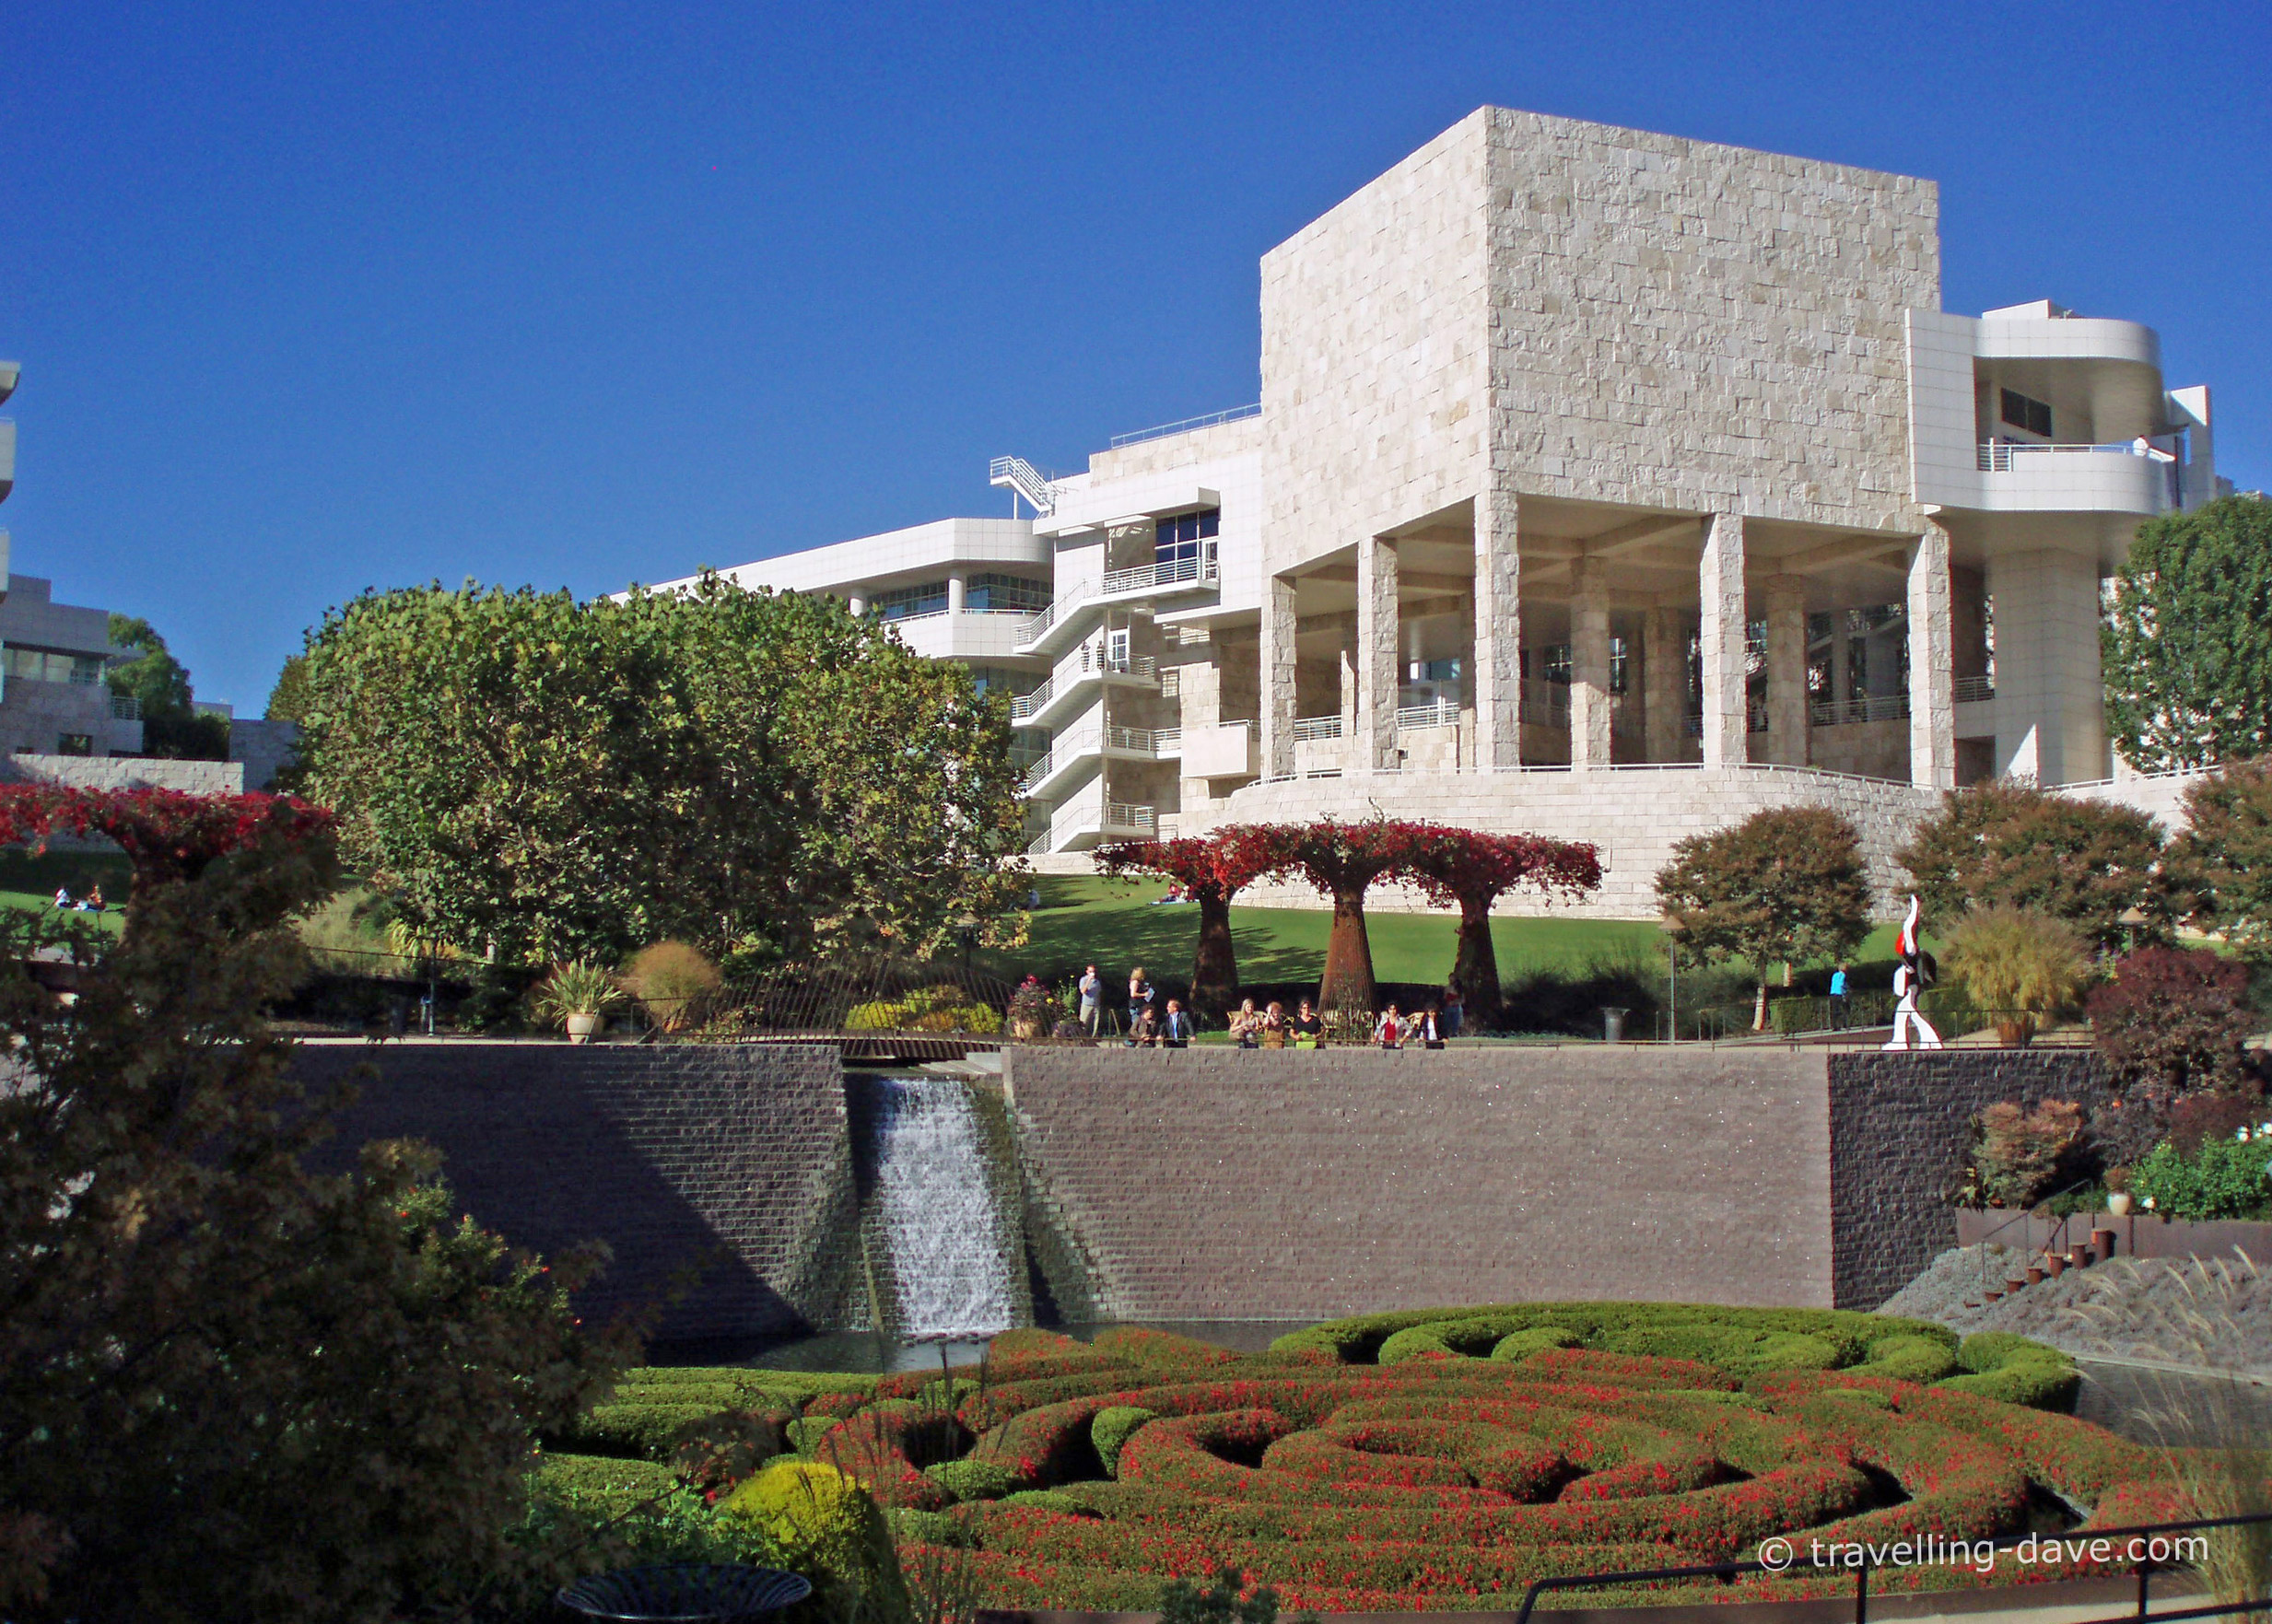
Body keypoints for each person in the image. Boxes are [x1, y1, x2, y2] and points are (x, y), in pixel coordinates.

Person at [1882, 896, 1944, 1051]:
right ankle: (1917, 1041)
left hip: (1911, 988)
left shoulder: (1911, 951)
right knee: (1908, 1014)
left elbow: (1909, 927)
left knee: (1909, 1013)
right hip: (1912, 987)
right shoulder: (1913, 955)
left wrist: (1915, 907)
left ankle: (1924, 1041)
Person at [1127, 966, 1154, 1034]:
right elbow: (1133, 994)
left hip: (1140, 1005)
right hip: (1135, 1005)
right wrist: (1144, 994)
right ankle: (1132, 1039)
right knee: (1136, 1022)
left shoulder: (1140, 983)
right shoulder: (1135, 982)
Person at [1079, 964, 1102, 1037]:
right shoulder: (1083, 980)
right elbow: (1083, 991)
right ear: (1087, 972)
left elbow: (1099, 992)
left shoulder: (1097, 982)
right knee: (1084, 1022)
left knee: (1095, 1023)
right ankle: (1082, 1037)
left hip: (1096, 1005)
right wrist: (1089, 980)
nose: (1092, 973)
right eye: (1090, 971)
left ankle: (1094, 1037)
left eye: (1094, 971)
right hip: (1087, 1004)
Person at [1828, 962, 1849, 1031]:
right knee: (1845, 1009)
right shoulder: (1843, 975)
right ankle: (1844, 1024)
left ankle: (1834, 1025)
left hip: (1833, 993)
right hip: (1839, 993)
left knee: (1834, 1010)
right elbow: (1841, 984)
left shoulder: (1834, 975)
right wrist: (1844, 993)